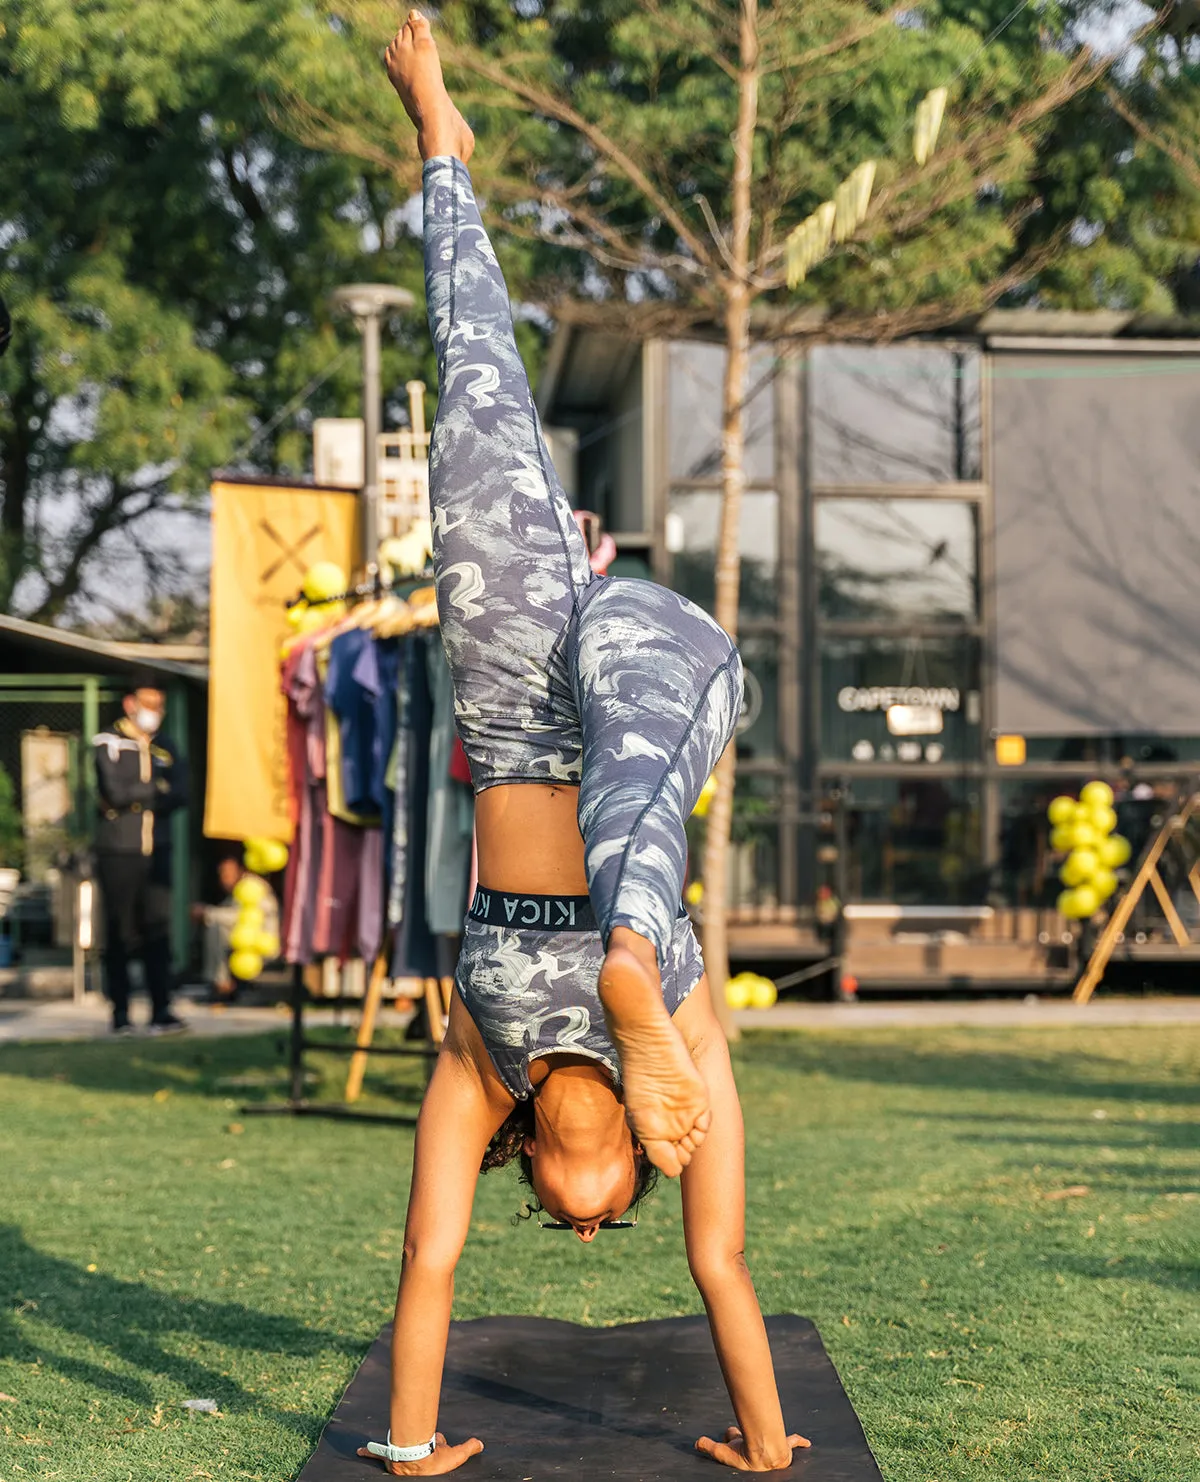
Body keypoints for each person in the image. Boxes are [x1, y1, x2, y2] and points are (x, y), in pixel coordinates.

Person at [352, 15, 808, 1476]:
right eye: (616, 1209)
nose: (605, 1202)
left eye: (577, 1205)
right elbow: (723, 1267)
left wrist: (414, 1445)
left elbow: (428, 1256)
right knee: (637, 837)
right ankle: (633, 949)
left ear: (538, 1170)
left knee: (472, 395)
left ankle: (445, 152)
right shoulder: (688, 1103)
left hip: (502, 700)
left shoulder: (476, 1063)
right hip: (642, 697)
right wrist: (771, 1443)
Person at [92, 674, 188, 1034]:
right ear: (130, 704)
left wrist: (138, 796)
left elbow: (180, 793)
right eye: (148, 705)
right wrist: (154, 790)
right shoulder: (108, 741)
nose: (154, 712)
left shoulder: (167, 746)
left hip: (156, 849)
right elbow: (112, 791)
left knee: (158, 931)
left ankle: (162, 1010)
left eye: (159, 706)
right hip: (118, 851)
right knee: (119, 932)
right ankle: (120, 1014)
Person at [191, 853, 279, 1001]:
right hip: (245, 942)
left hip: (260, 944)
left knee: (216, 927)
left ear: (240, 871)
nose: (224, 880)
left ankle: (221, 983)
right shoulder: (238, 891)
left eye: (228, 874)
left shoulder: (252, 888)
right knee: (215, 925)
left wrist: (207, 912)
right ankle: (219, 980)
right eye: (221, 875)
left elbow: (240, 917)